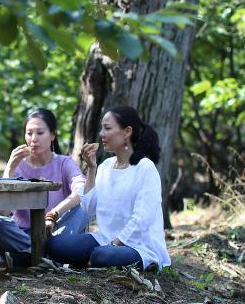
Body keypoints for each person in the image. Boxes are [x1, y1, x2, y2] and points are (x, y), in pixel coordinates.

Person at [45, 105, 169, 271]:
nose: (102, 134)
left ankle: (95, 259)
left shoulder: (145, 168)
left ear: (127, 132)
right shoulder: (105, 166)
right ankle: (93, 259)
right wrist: (91, 169)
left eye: (107, 128)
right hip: (103, 240)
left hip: (138, 246)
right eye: (102, 128)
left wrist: (115, 244)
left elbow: (142, 218)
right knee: (55, 245)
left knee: (102, 255)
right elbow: (89, 209)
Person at [0, 108, 89, 267]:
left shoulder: (64, 163)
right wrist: (9, 168)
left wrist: (53, 216)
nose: (33, 139)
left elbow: (81, 190)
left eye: (40, 133)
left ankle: (30, 257)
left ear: (53, 135)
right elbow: (4, 211)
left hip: (55, 232)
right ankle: (45, 256)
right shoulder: (18, 167)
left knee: (84, 207)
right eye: (29, 133)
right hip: (21, 234)